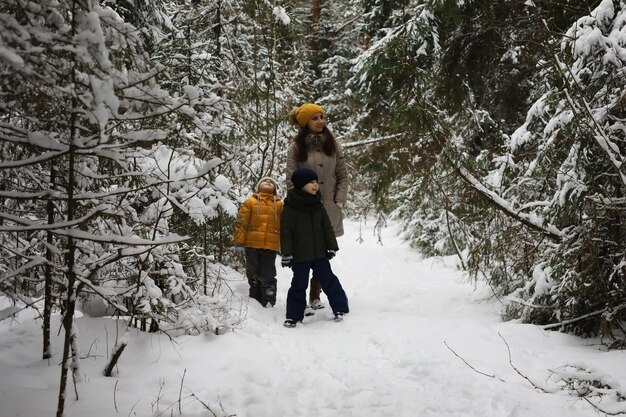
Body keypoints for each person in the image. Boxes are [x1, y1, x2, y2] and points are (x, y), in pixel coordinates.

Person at [286, 103, 349, 311]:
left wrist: (338, 200)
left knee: (322, 252)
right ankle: (301, 296)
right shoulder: (296, 148)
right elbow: (291, 179)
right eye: (315, 118)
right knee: (306, 250)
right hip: (304, 209)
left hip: (329, 207)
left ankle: (315, 293)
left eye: (322, 116)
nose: (320, 121)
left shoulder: (334, 145)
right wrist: (297, 204)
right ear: (305, 123)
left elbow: (342, 176)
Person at [280, 168, 349, 327]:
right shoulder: (290, 207)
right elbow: (286, 233)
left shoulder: (318, 204)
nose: (315, 185)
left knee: (329, 281)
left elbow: (327, 227)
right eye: (311, 182)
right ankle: (293, 316)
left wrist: (332, 247)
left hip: (319, 254)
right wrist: (287, 254)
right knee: (298, 285)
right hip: (300, 255)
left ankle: (340, 308)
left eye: (316, 182)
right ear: (300, 184)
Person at [233, 177, 283, 307]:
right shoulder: (250, 202)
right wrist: (239, 241)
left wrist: (284, 246)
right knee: (253, 274)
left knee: (268, 275)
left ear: (275, 189)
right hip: (252, 246)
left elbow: (285, 226)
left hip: (270, 247)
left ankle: (268, 301)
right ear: (258, 187)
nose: (268, 182)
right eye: (265, 181)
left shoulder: (279, 205)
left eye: (272, 182)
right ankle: (254, 300)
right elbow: (241, 223)